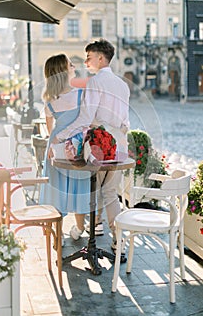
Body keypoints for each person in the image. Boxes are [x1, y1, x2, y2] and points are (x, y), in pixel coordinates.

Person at [53, 39, 130, 254]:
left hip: (99, 144)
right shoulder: (122, 84)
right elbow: (126, 120)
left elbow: (85, 118)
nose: (86, 61)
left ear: (100, 58)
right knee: (111, 193)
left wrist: (61, 136)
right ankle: (118, 241)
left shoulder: (96, 82)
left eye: (89, 57)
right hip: (119, 144)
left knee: (96, 190)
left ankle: (90, 238)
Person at [39, 54, 91, 244]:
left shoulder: (52, 99)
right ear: (62, 70)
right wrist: (58, 143)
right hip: (68, 147)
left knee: (64, 189)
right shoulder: (79, 93)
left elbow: (50, 128)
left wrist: (55, 142)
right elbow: (83, 121)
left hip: (59, 146)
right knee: (73, 187)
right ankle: (68, 231)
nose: (74, 65)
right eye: (70, 64)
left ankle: (69, 231)